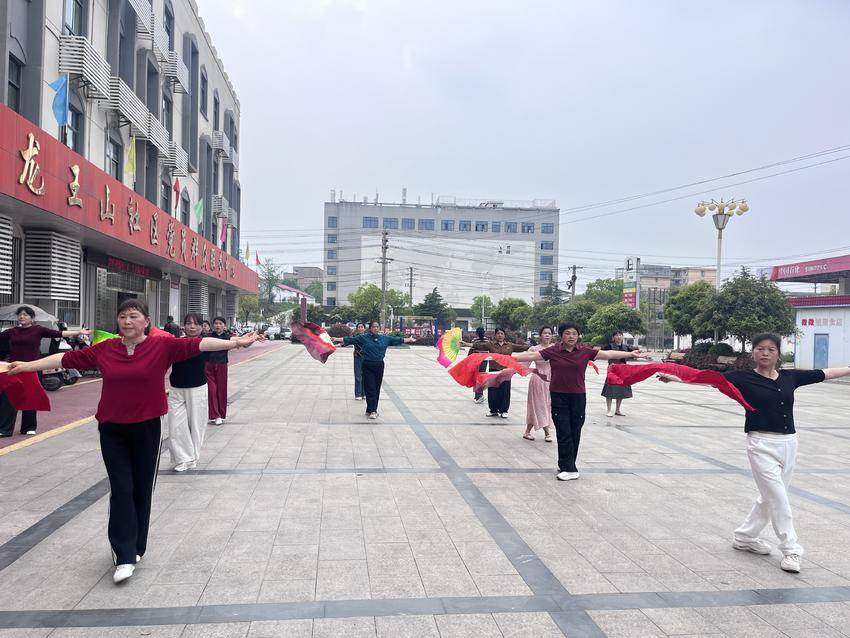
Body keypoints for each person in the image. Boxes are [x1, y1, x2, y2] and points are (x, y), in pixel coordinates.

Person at [7, 299, 260, 583]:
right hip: (112, 429)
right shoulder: (106, 349)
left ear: (146, 321)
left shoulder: (162, 346)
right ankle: (124, 554)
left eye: (133, 316)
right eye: (122, 316)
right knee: (121, 489)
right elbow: (65, 360)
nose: (127, 321)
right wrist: (27, 366)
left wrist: (235, 342)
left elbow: (201, 344)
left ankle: (137, 546)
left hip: (147, 428)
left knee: (141, 489)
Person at [657, 333, 850, 574]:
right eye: (760, 348)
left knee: (770, 497)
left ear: (778, 354)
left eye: (771, 349)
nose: (765, 353)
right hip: (761, 444)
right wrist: (675, 379)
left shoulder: (790, 377)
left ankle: (745, 537)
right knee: (779, 498)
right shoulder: (742, 377)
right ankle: (791, 549)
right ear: (753, 352)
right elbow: (708, 379)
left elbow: (824, 373)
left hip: (789, 443)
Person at [513, 322, 647, 481]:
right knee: (563, 431)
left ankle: (567, 464)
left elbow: (608, 354)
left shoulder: (584, 351)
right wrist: (506, 357)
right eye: (567, 333)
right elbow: (532, 356)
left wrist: (631, 354)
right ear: (561, 335)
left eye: (574, 334)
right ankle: (568, 468)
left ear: (578, 336)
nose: (571, 336)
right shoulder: (554, 350)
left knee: (575, 431)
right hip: (558, 396)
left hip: (577, 397)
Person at [0, 306, 90, 437]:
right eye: (20, 315)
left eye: (25, 314)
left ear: (32, 318)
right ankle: (5, 429)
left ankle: (28, 427)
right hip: (14, 368)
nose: (22, 317)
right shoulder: (12, 331)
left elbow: (59, 334)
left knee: (30, 396)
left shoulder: (38, 330)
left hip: (32, 367)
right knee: (9, 397)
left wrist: (78, 332)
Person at [332, 321, 415, 419]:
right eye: (374, 327)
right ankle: (373, 411)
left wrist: (409, 339)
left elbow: (398, 340)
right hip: (367, 365)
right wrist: (336, 339)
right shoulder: (364, 338)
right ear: (370, 328)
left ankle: (370, 409)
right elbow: (350, 339)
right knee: (370, 388)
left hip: (379, 365)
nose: (376, 328)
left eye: (377, 327)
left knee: (376, 388)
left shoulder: (385, 338)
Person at [166, 313, 210, 472]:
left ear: (202, 327)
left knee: (196, 426)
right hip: (176, 389)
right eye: (188, 323)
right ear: (183, 326)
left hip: (197, 388)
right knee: (175, 426)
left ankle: (192, 458)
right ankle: (182, 459)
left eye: (196, 323)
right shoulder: (176, 343)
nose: (192, 326)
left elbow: (227, 343)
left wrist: (242, 342)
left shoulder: (205, 343)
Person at [461, 327, 529, 418]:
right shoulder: (490, 344)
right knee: (493, 391)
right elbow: (478, 345)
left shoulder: (509, 345)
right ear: (495, 335)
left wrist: (534, 347)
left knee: (505, 391)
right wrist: (466, 344)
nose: (500, 335)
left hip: (506, 372)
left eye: (502, 333)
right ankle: (493, 410)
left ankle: (504, 411)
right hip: (494, 370)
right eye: (498, 333)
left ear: (504, 335)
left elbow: (522, 348)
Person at [523, 326, 554, 442]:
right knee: (538, 404)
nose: (547, 335)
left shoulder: (555, 348)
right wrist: (510, 369)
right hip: (538, 379)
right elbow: (524, 363)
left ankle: (527, 432)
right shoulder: (534, 349)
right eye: (545, 333)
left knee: (548, 404)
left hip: (552, 380)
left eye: (549, 333)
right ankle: (547, 432)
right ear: (540, 335)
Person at [601, 331, 636, 417]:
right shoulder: (609, 347)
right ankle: (609, 410)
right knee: (610, 390)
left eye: (620, 335)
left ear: (622, 337)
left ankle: (617, 410)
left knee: (621, 390)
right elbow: (599, 353)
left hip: (622, 371)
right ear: (613, 338)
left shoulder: (626, 347)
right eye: (616, 335)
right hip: (612, 371)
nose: (618, 337)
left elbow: (634, 353)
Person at [205, 317, 230, 425]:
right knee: (212, 390)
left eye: (220, 323)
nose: (218, 325)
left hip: (222, 365)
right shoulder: (208, 337)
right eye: (216, 323)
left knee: (221, 390)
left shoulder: (228, 337)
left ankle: (221, 414)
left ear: (224, 326)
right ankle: (215, 415)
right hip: (209, 366)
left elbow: (241, 342)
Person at [469, 327, 489, 404]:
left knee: (476, 377)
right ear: (484, 332)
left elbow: (472, 351)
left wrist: (468, 359)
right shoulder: (487, 341)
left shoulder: (475, 340)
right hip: (484, 360)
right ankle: (479, 395)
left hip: (476, 361)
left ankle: (478, 396)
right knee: (481, 377)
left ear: (476, 333)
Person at [351, 322, 366, 401]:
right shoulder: (355, 337)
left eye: (361, 327)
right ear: (357, 329)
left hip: (366, 358)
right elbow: (346, 341)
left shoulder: (368, 337)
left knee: (365, 376)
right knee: (358, 376)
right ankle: (358, 394)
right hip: (357, 357)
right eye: (359, 327)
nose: (360, 328)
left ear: (364, 328)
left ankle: (364, 393)